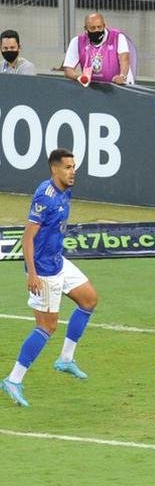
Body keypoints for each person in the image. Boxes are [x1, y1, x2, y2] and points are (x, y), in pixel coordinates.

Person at [1, 150, 100, 409]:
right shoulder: (44, 198)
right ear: (55, 169)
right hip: (43, 271)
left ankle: (66, 359)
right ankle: (13, 379)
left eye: (74, 166)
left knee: (89, 299)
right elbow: (27, 237)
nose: (73, 171)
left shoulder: (65, 190)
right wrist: (32, 274)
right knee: (46, 327)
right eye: (68, 167)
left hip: (58, 262)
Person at [63, 12, 133, 86]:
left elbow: (124, 59)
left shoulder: (118, 37)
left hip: (119, 86)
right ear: (86, 28)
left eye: (99, 27)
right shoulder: (77, 41)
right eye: (92, 28)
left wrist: (122, 76)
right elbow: (68, 70)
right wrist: (79, 77)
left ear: (104, 26)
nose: (97, 30)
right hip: (94, 87)